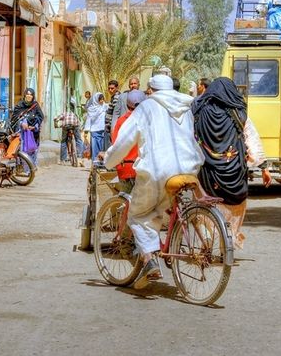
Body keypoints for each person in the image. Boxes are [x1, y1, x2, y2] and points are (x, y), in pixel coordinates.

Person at [102, 74, 204, 289]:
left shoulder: (146, 109)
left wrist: (110, 161)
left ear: (151, 90)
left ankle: (149, 261)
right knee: (162, 205)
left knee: (138, 214)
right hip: (188, 167)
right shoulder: (186, 107)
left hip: (158, 171)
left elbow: (124, 141)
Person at [192, 77, 271, 250]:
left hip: (207, 174)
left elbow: (189, 138)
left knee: (203, 205)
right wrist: (263, 168)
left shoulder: (198, 113)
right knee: (234, 207)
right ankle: (229, 241)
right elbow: (253, 143)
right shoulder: (239, 115)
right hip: (234, 174)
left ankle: (208, 238)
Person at [109, 89, 146, 192]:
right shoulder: (149, 121)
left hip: (125, 168)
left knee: (126, 199)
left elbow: (116, 144)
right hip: (144, 169)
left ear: (127, 104)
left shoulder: (121, 121)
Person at [11, 88, 44, 167]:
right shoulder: (19, 105)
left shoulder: (35, 105)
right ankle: (22, 166)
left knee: (33, 149)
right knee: (22, 149)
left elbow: (41, 116)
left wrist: (35, 126)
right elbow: (15, 118)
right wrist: (22, 123)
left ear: (33, 96)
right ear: (24, 95)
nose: (29, 96)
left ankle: (32, 166)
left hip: (33, 132)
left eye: (31, 95)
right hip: (21, 133)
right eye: (27, 94)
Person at [85, 92, 108, 161]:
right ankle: (95, 164)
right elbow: (88, 119)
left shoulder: (105, 106)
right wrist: (86, 130)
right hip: (94, 131)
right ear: (95, 99)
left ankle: (102, 164)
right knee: (95, 149)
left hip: (103, 130)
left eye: (102, 99)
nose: (101, 101)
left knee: (102, 149)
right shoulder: (91, 109)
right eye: (100, 99)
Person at [103, 80, 120, 148]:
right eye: (109, 88)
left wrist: (112, 127)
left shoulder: (116, 98)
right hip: (109, 126)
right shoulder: (113, 97)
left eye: (112, 88)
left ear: (117, 88)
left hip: (111, 127)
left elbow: (116, 113)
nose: (110, 90)